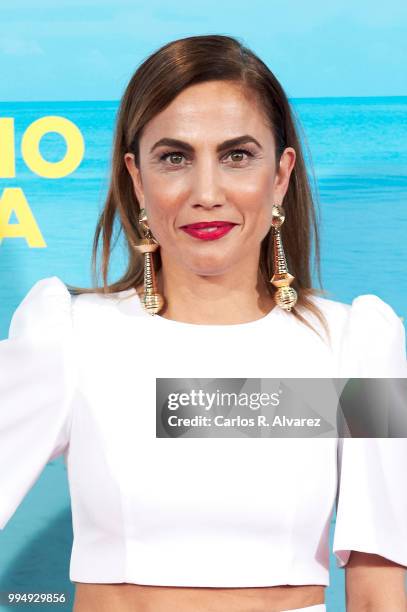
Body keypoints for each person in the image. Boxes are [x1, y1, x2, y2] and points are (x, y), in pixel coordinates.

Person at [1, 34, 406, 612]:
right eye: (174, 158)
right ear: (137, 179)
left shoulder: (359, 345)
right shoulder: (68, 334)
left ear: (282, 173)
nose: (207, 192)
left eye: (237, 155)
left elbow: (379, 590)